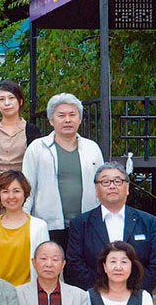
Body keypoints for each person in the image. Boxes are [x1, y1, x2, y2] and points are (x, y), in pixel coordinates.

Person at [22, 92, 104, 248]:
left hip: (86, 224)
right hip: (48, 225)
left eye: (72, 115)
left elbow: (101, 187)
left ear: (79, 119)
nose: (67, 120)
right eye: (61, 115)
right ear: (51, 120)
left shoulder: (92, 148)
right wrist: (24, 220)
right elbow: (27, 188)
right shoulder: (37, 148)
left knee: (80, 271)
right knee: (49, 270)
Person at [66, 162, 156, 293]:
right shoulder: (80, 224)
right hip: (93, 298)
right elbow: (75, 265)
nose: (112, 186)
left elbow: (155, 265)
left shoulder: (147, 221)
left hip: (137, 297)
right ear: (96, 189)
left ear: (127, 188)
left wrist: (132, 293)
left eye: (118, 181)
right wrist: (103, 293)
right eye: (105, 182)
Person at [0, 80, 42, 217]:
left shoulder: (32, 131)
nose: (7, 103)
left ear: (20, 101)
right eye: (2, 99)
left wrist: (19, 191)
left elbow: (36, 163)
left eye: (11, 98)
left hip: (24, 191)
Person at [0, 170, 50, 286]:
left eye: (16, 191)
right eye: (5, 192)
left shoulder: (39, 226)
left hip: (26, 294)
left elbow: (44, 264)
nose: (11, 196)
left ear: (25, 194)